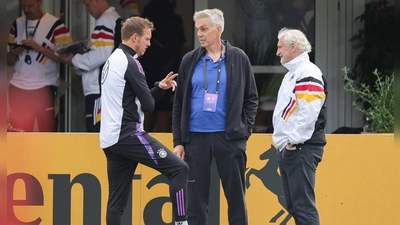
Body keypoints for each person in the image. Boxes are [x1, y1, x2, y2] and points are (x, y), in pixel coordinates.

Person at [172, 8, 259, 225]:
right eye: (197, 30)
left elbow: (251, 98)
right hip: (195, 138)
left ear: (218, 29)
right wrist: (178, 141)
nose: (199, 34)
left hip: (229, 138)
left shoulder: (239, 58)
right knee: (196, 199)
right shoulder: (189, 60)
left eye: (204, 29)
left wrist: (244, 130)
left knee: (236, 197)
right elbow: (179, 103)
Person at [100, 16, 189, 225]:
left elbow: (131, 101)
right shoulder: (131, 63)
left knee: (116, 204)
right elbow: (148, 106)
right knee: (179, 169)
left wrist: (159, 87)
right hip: (128, 135)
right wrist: (158, 90)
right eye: (147, 39)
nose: (149, 44)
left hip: (111, 140)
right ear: (134, 37)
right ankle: (182, 222)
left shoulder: (112, 60)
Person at [272, 27, 327, 225]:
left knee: (303, 208)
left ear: (293, 47)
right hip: (293, 147)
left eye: (280, 47)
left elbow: (309, 112)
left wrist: (293, 142)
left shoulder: (308, 72)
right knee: (295, 207)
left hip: (301, 147)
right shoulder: (292, 74)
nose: (277, 52)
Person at [7, 0, 72, 132]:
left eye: (30, 5)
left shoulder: (56, 25)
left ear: (40, 2)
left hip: (44, 87)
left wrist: (39, 48)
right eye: (23, 6)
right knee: (18, 136)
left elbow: (67, 58)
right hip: (18, 87)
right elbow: (8, 61)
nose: (27, 10)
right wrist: (13, 53)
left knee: (48, 133)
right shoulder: (17, 24)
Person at [61, 0, 121, 132]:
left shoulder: (106, 20)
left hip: (99, 90)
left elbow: (100, 54)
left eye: (87, 4)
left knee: (96, 135)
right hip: (106, 88)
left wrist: (74, 59)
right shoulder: (114, 18)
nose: (87, 10)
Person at [140, 0, 186, 132]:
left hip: (162, 69)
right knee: (158, 113)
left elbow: (180, 46)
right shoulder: (153, 15)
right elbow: (181, 47)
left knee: (157, 112)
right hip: (156, 68)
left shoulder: (173, 19)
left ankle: (151, 145)